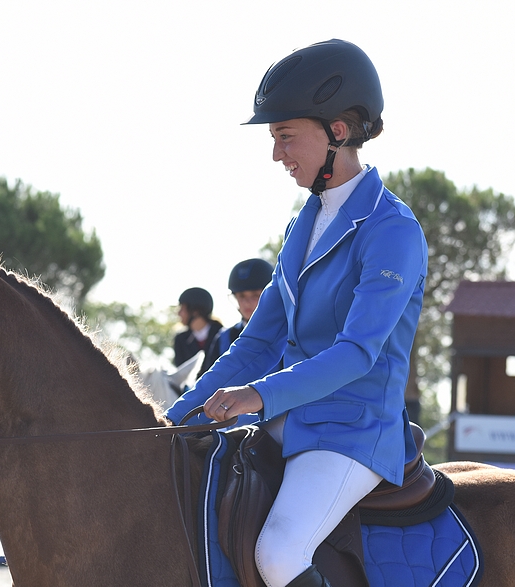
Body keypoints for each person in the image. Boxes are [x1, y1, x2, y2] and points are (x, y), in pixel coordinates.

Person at [166, 39, 428, 587]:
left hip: (352, 433)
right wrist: (174, 419)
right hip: (285, 421)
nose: (276, 153)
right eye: (274, 138)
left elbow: (356, 352)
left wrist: (258, 396)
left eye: (285, 135)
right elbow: (257, 346)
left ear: (337, 130)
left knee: (279, 554)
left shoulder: (393, 230)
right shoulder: (302, 226)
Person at [202, 258, 275, 371]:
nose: (246, 303)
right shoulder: (223, 339)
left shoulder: (288, 335)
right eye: (241, 296)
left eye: (255, 295)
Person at [173, 287, 223, 373]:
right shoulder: (180, 339)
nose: (178, 313)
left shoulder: (223, 334)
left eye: (182, 308)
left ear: (195, 311)